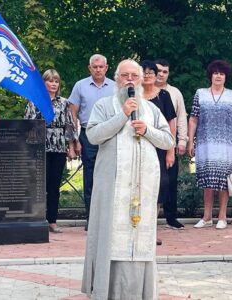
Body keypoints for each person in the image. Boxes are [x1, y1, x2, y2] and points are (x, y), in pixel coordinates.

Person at [81, 59, 175, 299]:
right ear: (117, 79)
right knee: (111, 235)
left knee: (140, 236)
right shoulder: (104, 105)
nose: (130, 79)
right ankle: (106, 290)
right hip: (112, 186)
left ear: (142, 79)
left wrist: (147, 130)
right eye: (125, 75)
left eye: (135, 75)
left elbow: (168, 141)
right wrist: (122, 116)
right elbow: (93, 135)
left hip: (143, 186)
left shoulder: (152, 110)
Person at [188, 59, 232, 230]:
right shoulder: (200, 93)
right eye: (215, 73)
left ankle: (222, 217)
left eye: (221, 73)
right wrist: (191, 141)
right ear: (210, 76)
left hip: (227, 144)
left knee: (223, 180)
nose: (218, 76)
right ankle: (206, 217)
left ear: (225, 76)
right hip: (205, 144)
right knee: (207, 180)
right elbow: (193, 118)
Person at [24, 69, 76, 233]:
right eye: (50, 81)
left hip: (59, 146)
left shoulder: (64, 102)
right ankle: (37, 218)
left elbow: (69, 125)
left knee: (54, 186)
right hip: (39, 147)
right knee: (39, 184)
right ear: (44, 82)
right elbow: (27, 124)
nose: (53, 84)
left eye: (56, 81)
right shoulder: (35, 101)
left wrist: (71, 147)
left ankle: (52, 220)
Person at [68, 54, 115, 229]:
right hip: (88, 135)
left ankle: (109, 220)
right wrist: (75, 140)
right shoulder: (80, 86)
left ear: (106, 67)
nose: (98, 69)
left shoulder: (115, 87)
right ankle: (92, 219)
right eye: (94, 67)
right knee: (90, 178)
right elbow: (72, 114)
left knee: (111, 176)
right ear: (90, 68)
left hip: (110, 134)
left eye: (101, 67)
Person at [141, 60, 177, 245]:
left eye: (151, 72)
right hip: (137, 147)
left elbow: (171, 124)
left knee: (157, 187)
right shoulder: (132, 96)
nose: (147, 75)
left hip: (159, 149)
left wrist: (170, 150)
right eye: (144, 72)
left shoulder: (164, 96)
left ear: (157, 76)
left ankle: (150, 231)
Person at [154, 59, 187, 230]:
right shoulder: (143, 91)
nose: (161, 74)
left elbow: (181, 118)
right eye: (158, 71)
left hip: (169, 143)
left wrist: (181, 141)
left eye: (165, 72)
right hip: (150, 142)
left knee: (171, 181)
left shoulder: (174, 93)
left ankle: (171, 217)